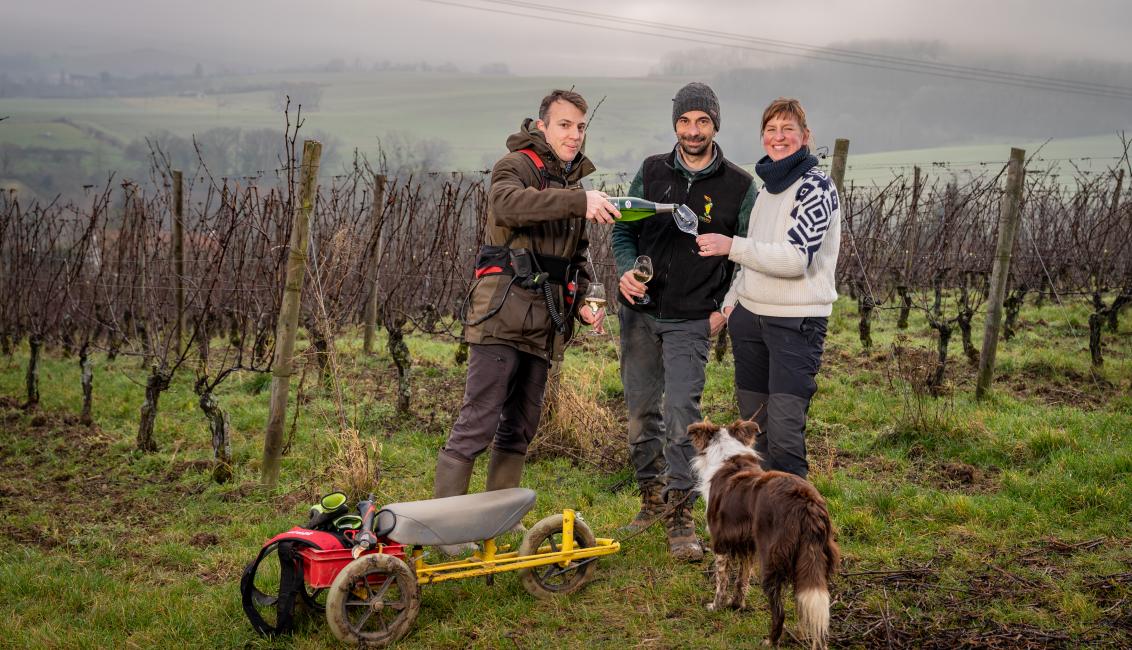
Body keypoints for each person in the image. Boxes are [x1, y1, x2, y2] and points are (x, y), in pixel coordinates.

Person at [432, 90, 617, 551]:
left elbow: (576, 257)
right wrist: (577, 201)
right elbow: (509, 206)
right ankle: (445, 529)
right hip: (501, 310)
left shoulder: (573, 179)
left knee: (520, 425)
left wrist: (587, 299)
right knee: (478, 420)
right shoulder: (514, 165)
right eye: (565, 125)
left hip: (545, 322)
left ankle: (498, 520)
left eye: (580, 127)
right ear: (542, 125)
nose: (574, 135)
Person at [612, 82, 755, 562]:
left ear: (716, 125)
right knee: (639, 414)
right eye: (684, 121)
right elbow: (623, 228)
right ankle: (650, 498)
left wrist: (726, 306)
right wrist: (625, 272)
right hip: (640, 314)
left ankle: (680, 512)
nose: (692, 131)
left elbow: (747, 253)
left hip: (694, 318)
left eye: (702, 121)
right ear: (674, 124)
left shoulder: (739, 185)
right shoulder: (652, 171)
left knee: (682, 418)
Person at [696, 97, 841, 479]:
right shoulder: (765, 192)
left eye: (788, 129)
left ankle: (795, 527)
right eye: (771, 130)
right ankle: (760, 522)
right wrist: (730, 306)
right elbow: (749, 262)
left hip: (795, 324)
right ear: (763, 138)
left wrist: (732, 245)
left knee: (785, 434)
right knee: (754, 436)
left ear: (805, 136)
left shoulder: (816, 187)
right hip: (750, 322)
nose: (779, 137)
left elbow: (795, 260)